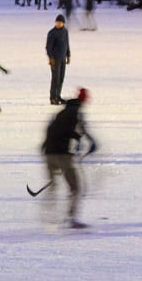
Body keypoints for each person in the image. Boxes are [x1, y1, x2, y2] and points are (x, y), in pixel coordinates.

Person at [42, 88, 95, 229]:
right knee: (76, 188)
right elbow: (73, 131)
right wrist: (83, 141)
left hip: (49, 153)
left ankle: (49, 215)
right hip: (61, 155)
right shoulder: (75, 114)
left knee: (54, 185)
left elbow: (51, 130)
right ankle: (70, 218)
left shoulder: (61, 113)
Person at [46, 14, 70, 105]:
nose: (59, 24)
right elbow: (48, 47)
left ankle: (58, 96)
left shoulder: (65, 31)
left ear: (63, 23)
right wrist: (51, 57)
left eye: (60, 22)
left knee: (61, 78)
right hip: (55, 60)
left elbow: (67, 44)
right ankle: (53, 97)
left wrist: (68, 55)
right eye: (57, 22)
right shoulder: (52, 33)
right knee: (55, 78)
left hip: (63, 58)